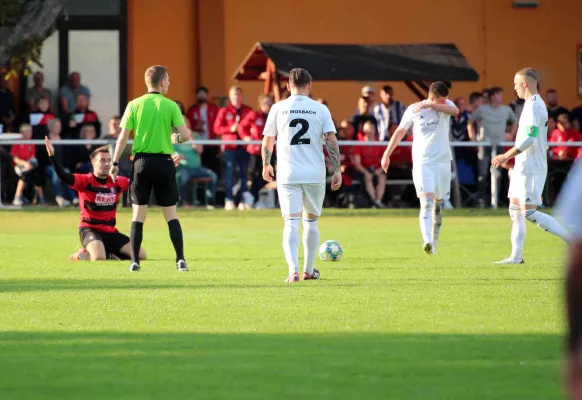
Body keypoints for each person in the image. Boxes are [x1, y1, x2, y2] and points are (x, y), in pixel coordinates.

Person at [261, 68, 341, 283]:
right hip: (314, 173)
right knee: (312, 222)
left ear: (288, 86)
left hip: (288, 173)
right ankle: (308, 270)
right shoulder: (320, 109)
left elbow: (268, 140)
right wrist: (337, 169)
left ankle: (292, 272)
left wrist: (266, 164)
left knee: (291, 223)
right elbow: (331, 140)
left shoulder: (278, 108)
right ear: (310, 85)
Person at [110, 65, 192, 272]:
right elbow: (186, 135)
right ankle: (180, 260)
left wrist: (114, 163)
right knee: (171, 214)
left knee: (138, 214)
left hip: (141, 163)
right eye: (169, 80)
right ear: (162, 82)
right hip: (164, 162)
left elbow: (122, 138)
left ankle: (135, 262)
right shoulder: (170, 105)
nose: (169, 84)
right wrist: (177, 138)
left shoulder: (134, 104)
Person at [491, 68, 568, 264]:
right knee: (515, 209)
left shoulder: (535, 106)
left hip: (532, 166)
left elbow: (528, 138)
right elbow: (536, 136)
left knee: (529, 212)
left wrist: (505, 156)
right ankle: (516, 256)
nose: (514, 88)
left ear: (525, 83)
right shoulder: (529, 105)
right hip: (522, 166)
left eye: (516, 84)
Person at [381, 82, 459, 255]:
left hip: (443, 162)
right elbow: (400, 131)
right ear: (432, 95)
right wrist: (387, 154)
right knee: (426, 203)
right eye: (441, 100)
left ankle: (435, 243)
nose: (445, 102)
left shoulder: (446, 105)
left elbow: (455, 112)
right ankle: (427, 241)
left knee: (438, 206)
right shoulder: (414, 110)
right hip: (423, 162)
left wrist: (433, 105)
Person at [44, 136, 147, 261]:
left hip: (110, 232)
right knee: (99, 257)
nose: (107, 164)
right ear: (93, 163)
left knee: (141, 255)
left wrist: (165, 169)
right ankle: (82, 254)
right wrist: (52, 155)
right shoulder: (85, 181)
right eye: (102, 160)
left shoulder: (118, 181)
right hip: (89, 230)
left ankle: (105, 251)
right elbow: (63, 175)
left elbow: (141, 183)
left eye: (109, 160)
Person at [555, 160, 582, 400]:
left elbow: (576, 267)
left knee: (526, 211)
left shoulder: (533, 119)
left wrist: (574, 343)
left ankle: (567, 234)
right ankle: (515, 253)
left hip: (528, 167)